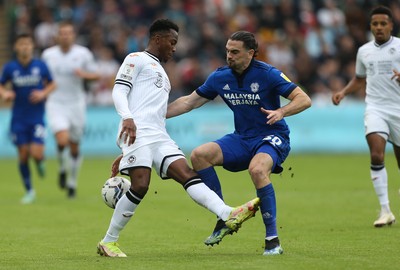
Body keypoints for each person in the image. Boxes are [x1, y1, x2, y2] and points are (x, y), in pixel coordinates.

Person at [96, 19, 260, 258]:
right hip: (137, 130)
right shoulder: (136, 59)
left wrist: (126, 153)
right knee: (141, 185)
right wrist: (127, 118)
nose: (174, 48)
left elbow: (153, 110)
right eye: (172, 42)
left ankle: (227, 213)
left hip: (158, 135)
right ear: (157, 39)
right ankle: (108, 242)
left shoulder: (161, 72)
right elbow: (119, 89)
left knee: (187, 174)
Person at [167, 31, 312, 255]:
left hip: (272, 137)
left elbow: (304, 99)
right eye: (227, 51)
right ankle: (224, 216)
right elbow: (188, 102)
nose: (229, 56)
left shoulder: (268, 74)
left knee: (257, 169)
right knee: (199, 155)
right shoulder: (219, 77)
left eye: (235, 52)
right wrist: (156, 115)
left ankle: (272, 240)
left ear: (251, 53)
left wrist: (281, 111)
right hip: (242, 138)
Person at [332, 5, 400, 228]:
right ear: (370, 26)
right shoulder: (364, 51)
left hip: (398, 109)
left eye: (383, 23)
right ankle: (385, 210)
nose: (379, 27)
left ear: (391, 25)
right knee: (377, 155)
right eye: (375, 24)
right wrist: (343, 91)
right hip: (376, 108)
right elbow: (360, 79)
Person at [41, 21, 100, 198]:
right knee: (61, 140)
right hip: (55, 102)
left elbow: (96, 75)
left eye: (68, 33)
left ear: (73, 35)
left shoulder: (83, 54)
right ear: (57, 36)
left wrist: (84, 75)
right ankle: (61, 168)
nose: (65, 36)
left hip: (76, 104)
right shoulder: (48, 55)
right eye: (62, 33)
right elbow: (42, 77)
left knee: (74, 146)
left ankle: (72, 182)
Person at [0, 33, 56, 204]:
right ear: (16, 47)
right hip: (18, 118)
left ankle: (40, 162)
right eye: (21, 44)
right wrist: (6, 93)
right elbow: (1, 85)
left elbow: (52, 83)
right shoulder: (10, 68)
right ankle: (30, 191)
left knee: (36, 154)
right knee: (23, 155)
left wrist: (43, 93)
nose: (25, 47)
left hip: (37, 117)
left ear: (32, 46)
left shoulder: (41, 66)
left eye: (27, 44)